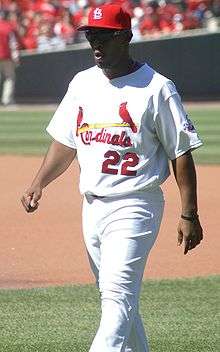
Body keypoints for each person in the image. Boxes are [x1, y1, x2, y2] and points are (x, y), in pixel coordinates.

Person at [21, 4, 204, 352]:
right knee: (118, 298)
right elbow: (66, 141)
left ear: (126, 37)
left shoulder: (157, 88)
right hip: (92, 207)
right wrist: (38, 182)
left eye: (104, 36)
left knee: (116, 297)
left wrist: (189, 213)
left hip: (137, 204)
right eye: (91, 35)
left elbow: (181, 151)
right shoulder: (82, 83)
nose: (96, 44)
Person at [0, 10, 20, 106]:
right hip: (6, 56)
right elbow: (13, 43)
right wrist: (15, 57)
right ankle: (6, 100)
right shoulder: (8, 27)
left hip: (5, 56)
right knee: (9, 78)